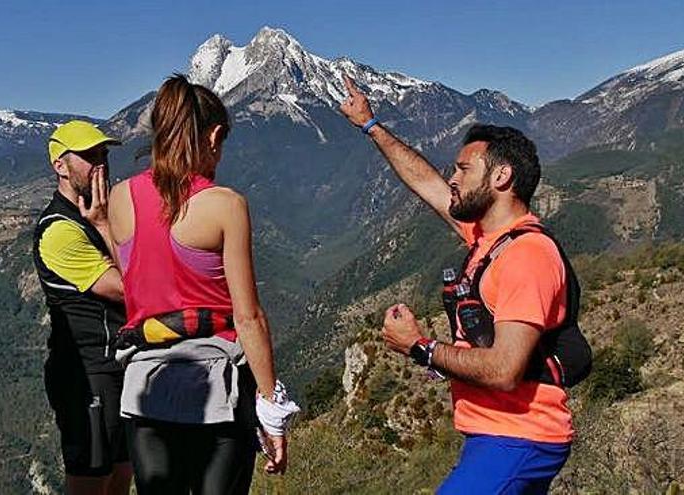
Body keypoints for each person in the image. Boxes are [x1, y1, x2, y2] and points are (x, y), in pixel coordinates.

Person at [340, 75, 590, 494]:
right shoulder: (488, 240)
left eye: (463, 169)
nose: (452, 178)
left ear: (501, 177)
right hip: (495, 435)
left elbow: (505, 369)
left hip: (520, 436)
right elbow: (426, 183)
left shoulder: (527, 256)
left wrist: (422, 348)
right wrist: (371, 126)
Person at [107, 75, 297, 495]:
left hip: (146, 390)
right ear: (213, 137)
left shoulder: (119, 200)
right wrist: (271, 406)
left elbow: (134, 285)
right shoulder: (226, 206)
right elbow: (249, 318)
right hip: (217, 391)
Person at [32, 120, 132, 494]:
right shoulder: (59, 231)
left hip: (118, 370)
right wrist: (106, 226)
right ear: (60, 165)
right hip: (87, 377)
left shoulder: (90, 216)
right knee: (92, 483)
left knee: (120, 480)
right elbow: (128, 290)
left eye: (104, 154)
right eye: (89, 157)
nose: (101, 165)